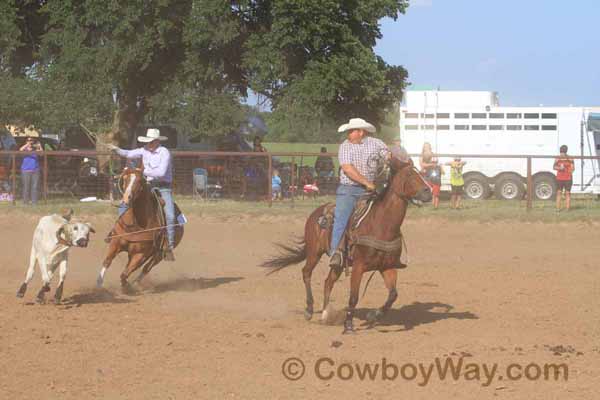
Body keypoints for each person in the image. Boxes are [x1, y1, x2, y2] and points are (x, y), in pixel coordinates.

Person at [329, 117, 389, 268]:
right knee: (341, 217)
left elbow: (388, 157)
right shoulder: (345, 146)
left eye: (351, 131)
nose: (348, 134)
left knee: (386, 216)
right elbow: (348, 169)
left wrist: (390, 160)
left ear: (361, 132)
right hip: (349, 190)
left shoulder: (377, 144)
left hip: (372, 189)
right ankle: (336, 252)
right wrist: (367, 183)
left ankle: (384, 248)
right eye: (348, 131)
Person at [108, 128, 176, 261]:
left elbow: (161, 173)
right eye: (148, 142)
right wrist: (115, 149)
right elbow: (128, 153)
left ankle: (169, 245)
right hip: (148, 185)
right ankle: (116, 231)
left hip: (163, 188)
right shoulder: (144, 150)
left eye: (151, 142)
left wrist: (141, 171)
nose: (148, 144)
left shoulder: (164, 152)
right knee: (126, 202)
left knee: (170, 215)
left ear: (157, 141)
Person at [19, 136, 42, 205]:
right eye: (28, 140)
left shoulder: (35, 149)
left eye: (31, 140)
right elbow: (20, 150)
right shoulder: (24, 149)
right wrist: (27, 144)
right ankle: (25, 202)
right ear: (26, 141)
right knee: (26, 187)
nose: (30, 141)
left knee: (34, 187)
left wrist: (39, 146)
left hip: (35, 170)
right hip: (25, 170)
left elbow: (41, 154)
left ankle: (34, 202)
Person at [420, 142, 442, 209]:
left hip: (432, 172)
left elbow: (436, 161)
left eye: (428, 146)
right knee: (424, 187)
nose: (427, 148)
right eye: (425, 146)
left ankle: (434, 203)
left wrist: (431, 164)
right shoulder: (422, 155)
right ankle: (423, 201)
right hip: (425, 172)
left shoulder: (433, 154)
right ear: (423, 147)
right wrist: (431, 164)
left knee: (435, 187)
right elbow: (422, 164)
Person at [554, 144, 574, 211]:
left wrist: (568, 170)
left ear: (566, 152)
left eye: (563, 152)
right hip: (559, 178)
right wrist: (560, 168)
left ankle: (567, 209)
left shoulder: (570, 158)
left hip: (568, 178)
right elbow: (554, 167)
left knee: (567, 193)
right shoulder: (557, 158)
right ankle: (558, 209)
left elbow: (573, 168)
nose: (562, 154)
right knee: (559, 192)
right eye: (561, 152)